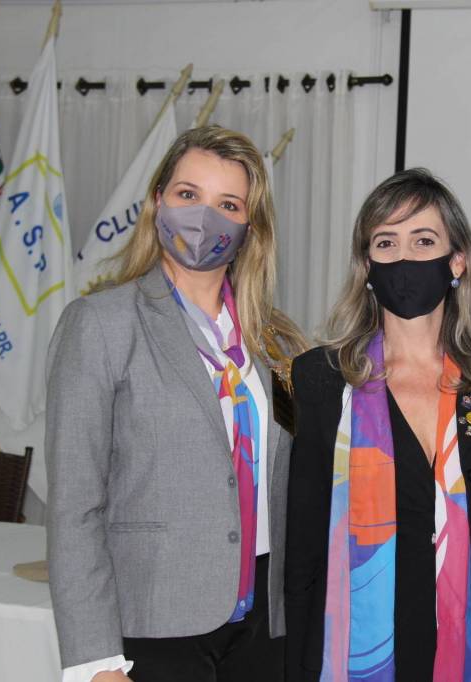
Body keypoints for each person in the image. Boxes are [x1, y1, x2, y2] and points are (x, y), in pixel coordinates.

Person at [46, 125, 307, 682]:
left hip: (265, 624)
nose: (204, 217)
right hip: (156, 621)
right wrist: (94, 660)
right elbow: (75, 506)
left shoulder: (277, 343)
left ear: (249, 227)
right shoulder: (100, 325)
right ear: (157, 201)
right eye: (189, 194)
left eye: (228, 204)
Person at [285, 169, 471, 681]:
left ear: (458, 261)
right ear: (367, 266)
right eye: (386, 243)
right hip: (360, 648)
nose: (404, 258)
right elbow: (304, 547)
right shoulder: (322, 380)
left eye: (423, 241)